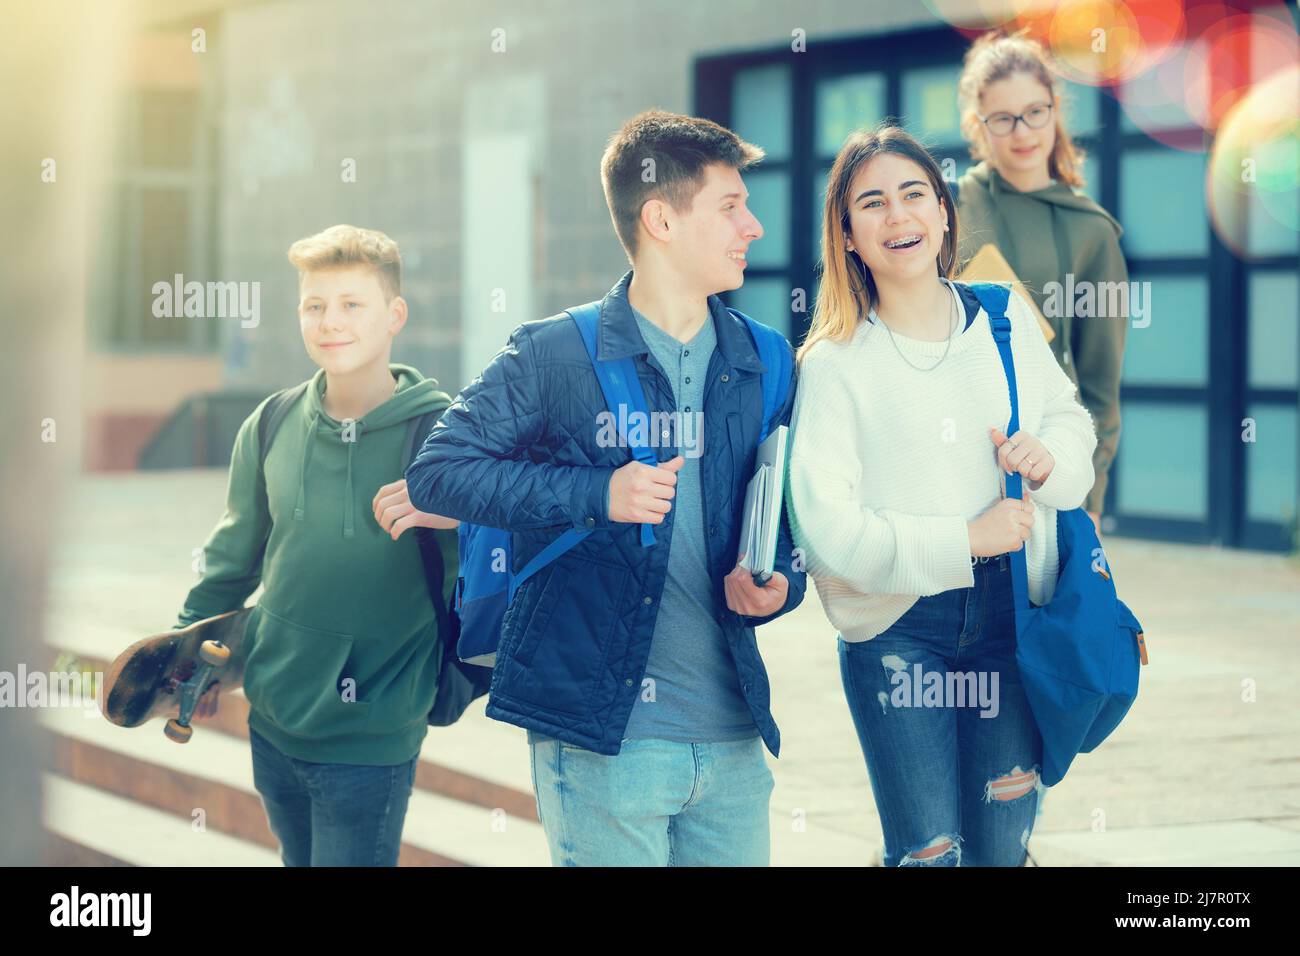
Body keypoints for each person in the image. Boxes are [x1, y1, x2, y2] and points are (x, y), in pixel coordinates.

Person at [406, 109, 806, 866]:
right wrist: (598, 495)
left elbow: (788, 522)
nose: (752, 226)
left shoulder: (767, 360)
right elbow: (439, 470)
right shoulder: (554, 353)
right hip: (601, 742)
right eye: (730, 207)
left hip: (732, 743)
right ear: (660, 217)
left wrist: (782, 582)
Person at [787, 125, 1097, 866]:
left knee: (1000, 851)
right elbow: (828, 533)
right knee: (929, 853)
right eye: (872, 204)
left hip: (1013, 620)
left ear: (944, 213)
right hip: (899, 632)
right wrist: (966, 539)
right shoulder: (832, 363)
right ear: (849, 235)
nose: (898, 217)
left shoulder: (1001, 317)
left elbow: (1072, 426)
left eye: (913, 195)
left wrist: (1049, 456)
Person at [174, 224, 457, 866]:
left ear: (394, 316)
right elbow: (231, 560)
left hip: (372, 731)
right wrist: (188, 651)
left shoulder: (445, 437)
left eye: (352, 304)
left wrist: (461, 516)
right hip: (272, 712)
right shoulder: (269, 421)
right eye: (314, 305)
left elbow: (509, 554)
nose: (330, 322)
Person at [955, 28, 1128, 533]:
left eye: (1035, 112)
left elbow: (1101, 386)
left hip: (1048, 462)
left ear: (1055, 109)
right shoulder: (944, 208)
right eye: (1003, 119)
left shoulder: (1095, 233)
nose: (1023, 132)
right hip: (957, 448)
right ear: (977, 124)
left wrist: (1091, 498)